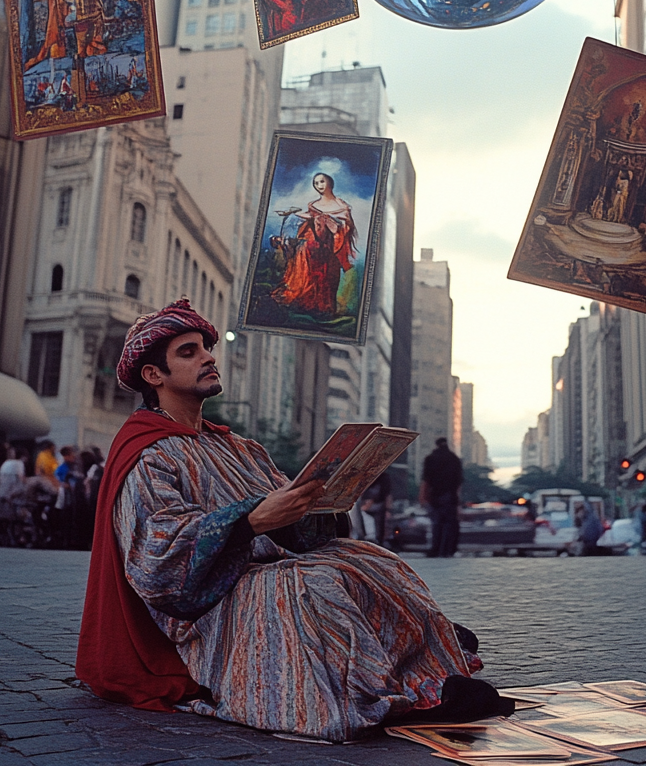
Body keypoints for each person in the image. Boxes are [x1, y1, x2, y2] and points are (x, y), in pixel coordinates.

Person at [76, 299, 506, 742]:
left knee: (372, 560)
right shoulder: (148, 453)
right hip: (211, 599)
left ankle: (425, 664)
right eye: (188, 352)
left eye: (207, 347)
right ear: (154, 375)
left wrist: (325, 503)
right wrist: (250, 521)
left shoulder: (241, 448)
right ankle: (395, 694)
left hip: (271, 565)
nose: (208, 356)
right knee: (308, 586)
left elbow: (295, 520)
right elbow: (156, 557)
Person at [272, 173, 356, 318]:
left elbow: (346, 226)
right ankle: (303, 299)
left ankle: (321, 307)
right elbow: (309, 217)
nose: (319, 186)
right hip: (312, 244)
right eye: (316, 183)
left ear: (330, 183)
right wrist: (292, 214)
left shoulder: (341, 205)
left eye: (322, 182)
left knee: (311, 252)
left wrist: (330, 223)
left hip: (328, 246)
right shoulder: (314, 205)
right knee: (303, 249)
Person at [419, 438, 463, 558]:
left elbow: (426, 480)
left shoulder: (430, 458)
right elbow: (459, 482)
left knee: (437, 523)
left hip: (435, 495)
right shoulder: (454, 459)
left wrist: (423, 497)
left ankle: (436, 549)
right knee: (450, 524)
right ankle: (448, 549)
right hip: (450, 496)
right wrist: (457, 499)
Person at [360, 469, 392, 547]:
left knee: (380, 526)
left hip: (379, 506)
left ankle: (379, 542)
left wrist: (388, 510)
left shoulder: (384, 478)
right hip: (365, 507)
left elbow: (387, 495)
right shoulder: (364, 477)